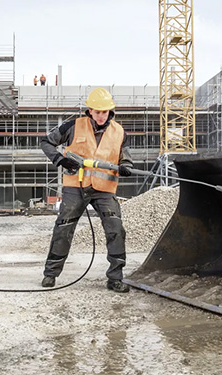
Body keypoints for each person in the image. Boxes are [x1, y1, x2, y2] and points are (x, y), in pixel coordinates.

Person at [40, 88, 134, 293]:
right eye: (97, 111)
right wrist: (59, 159)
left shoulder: (119, 132)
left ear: (111, 111)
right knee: (63, 228)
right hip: (76, 187)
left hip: (105, 190)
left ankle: (115, 278)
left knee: (116, 230)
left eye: (105, 111)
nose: (101, 115)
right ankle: (50, 274)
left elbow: (124, 155)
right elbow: (46, 141)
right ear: (89, 110)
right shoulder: (73, 126)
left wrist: (126, 165)